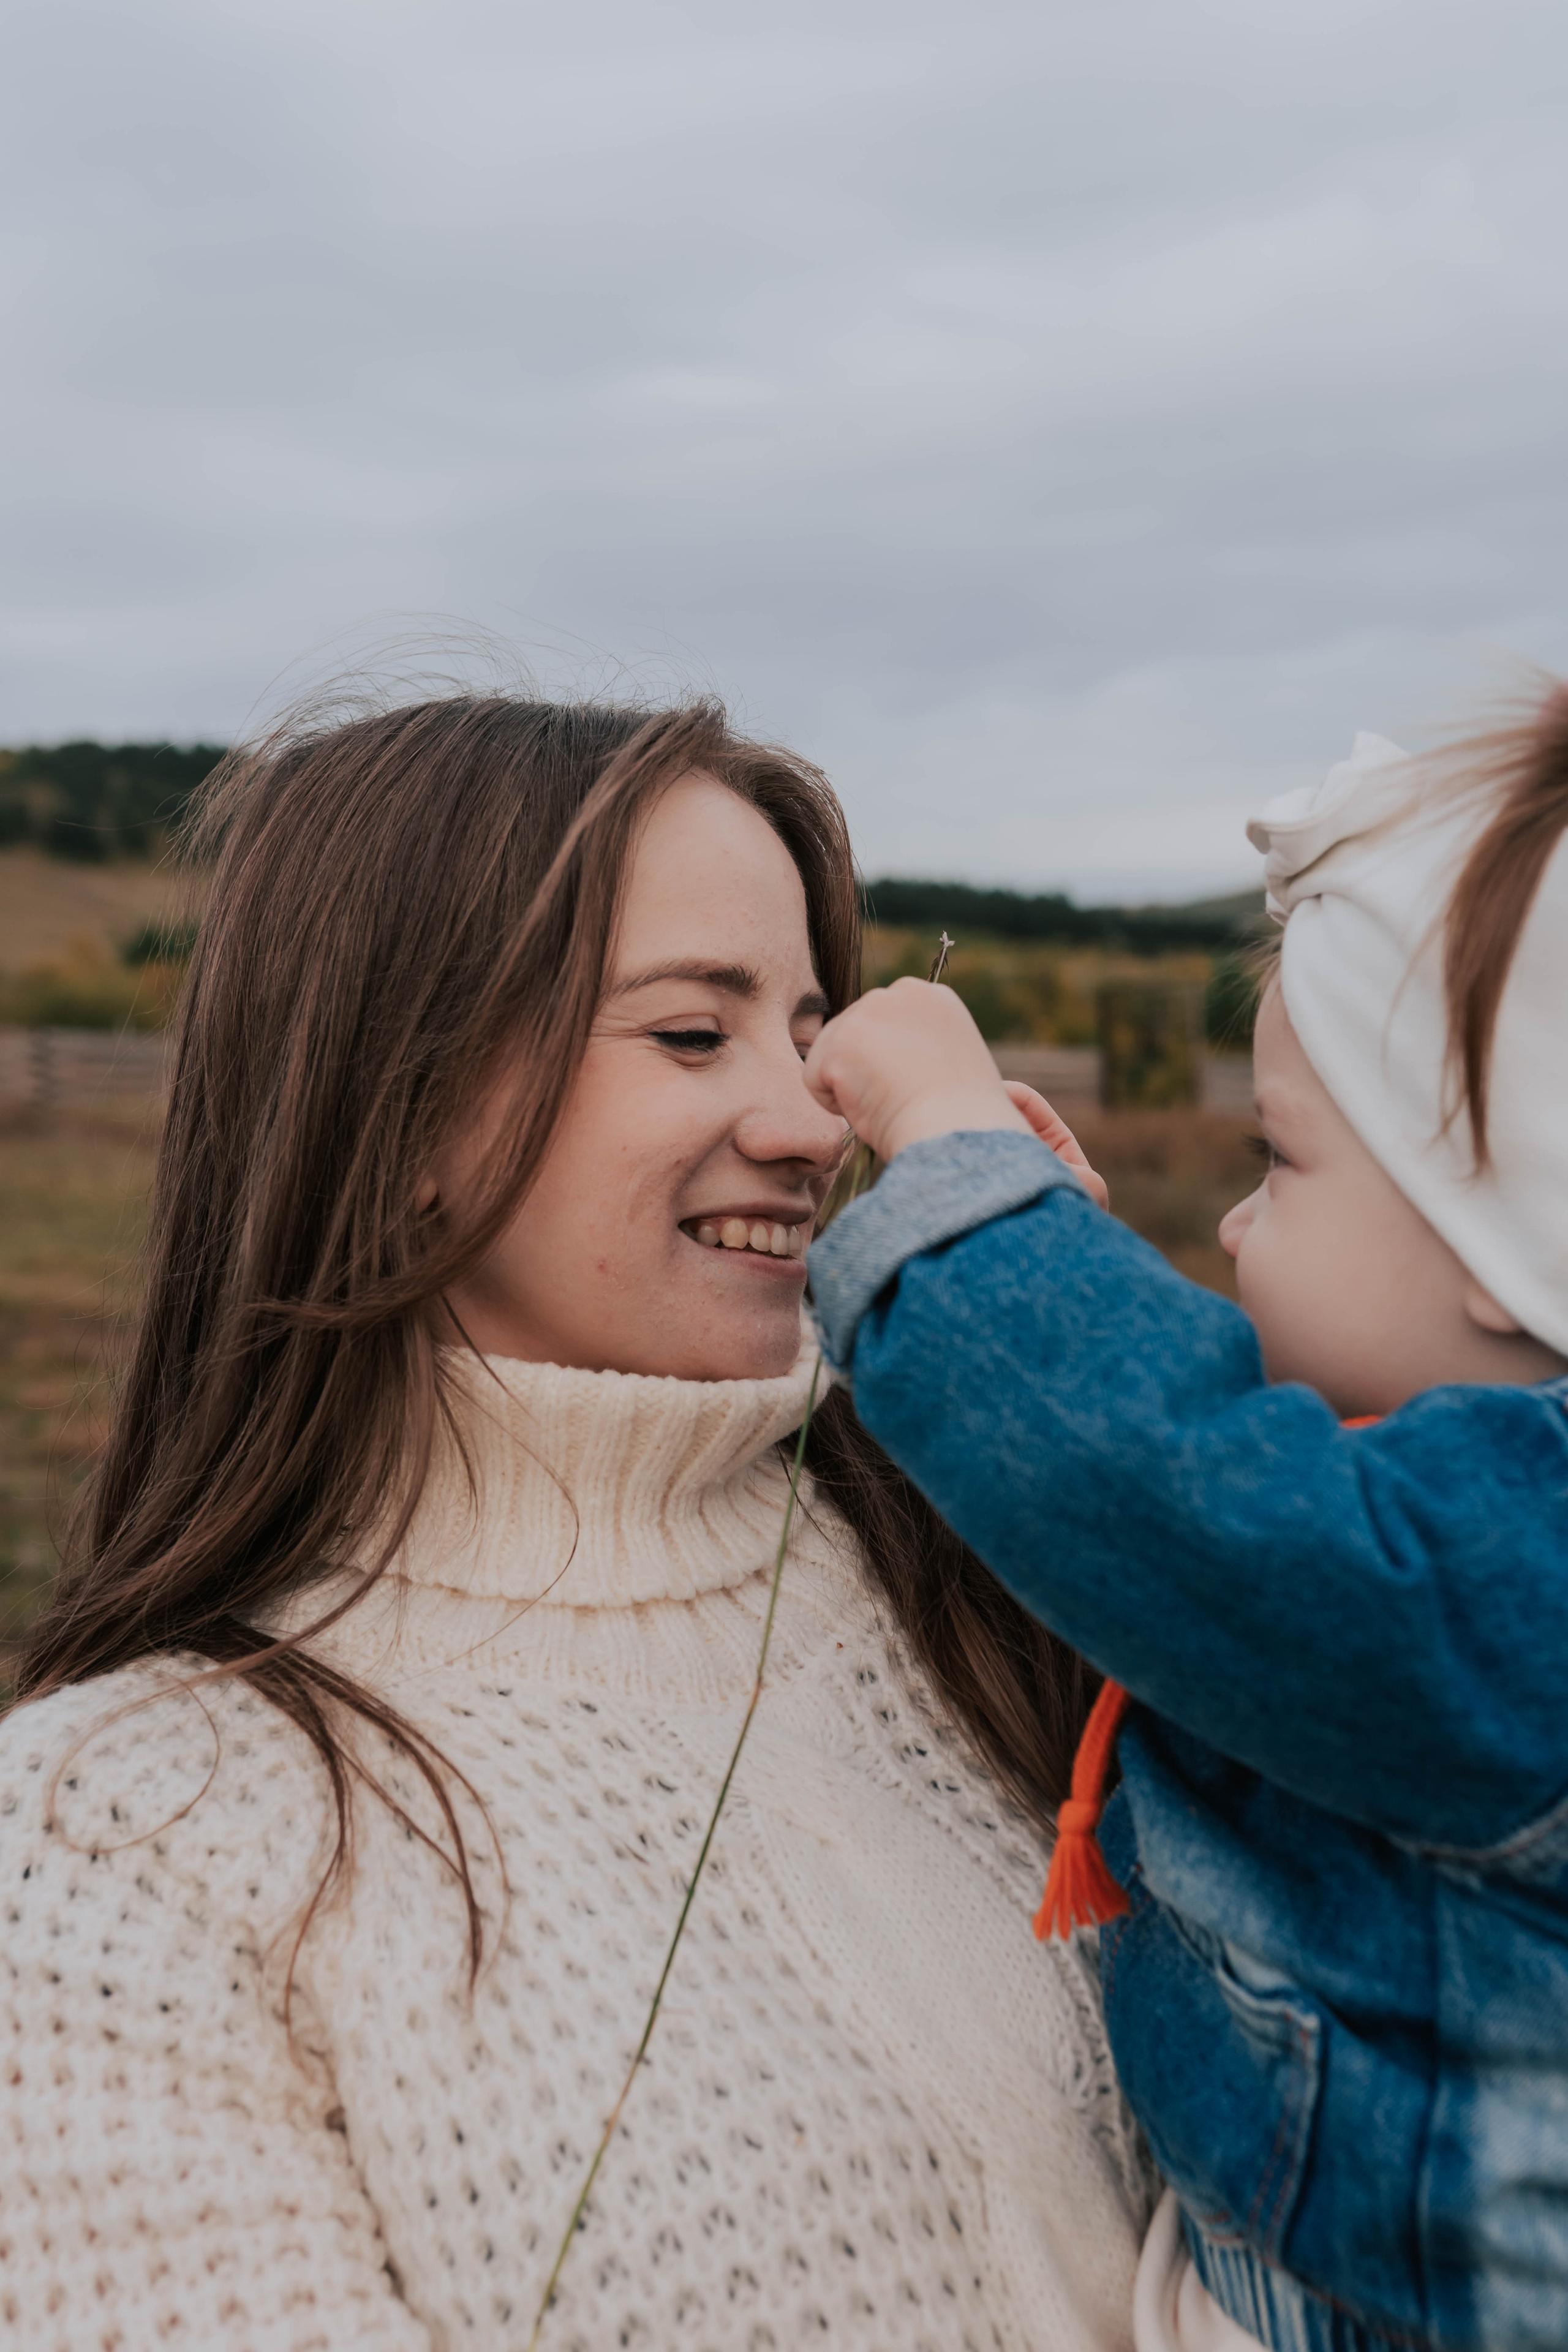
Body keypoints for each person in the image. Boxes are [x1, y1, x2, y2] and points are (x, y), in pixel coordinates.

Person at [0, 693, 1152, 2351]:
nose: (817, 1125)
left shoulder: (991, 1589)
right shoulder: (126, 1840)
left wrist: (1097, 1431)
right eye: (695, 1035)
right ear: (393, 1117)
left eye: (812, 1033)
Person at [802, 698, 1568, 2352]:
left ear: (1513, 1245)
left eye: (1276, 1159)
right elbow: (1237, 1480)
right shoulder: (1472, 1532)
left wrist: (947, 1151)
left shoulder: (1534, 1565)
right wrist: (1052, 1261)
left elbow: (1179, 1501)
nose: (1227, 1218)